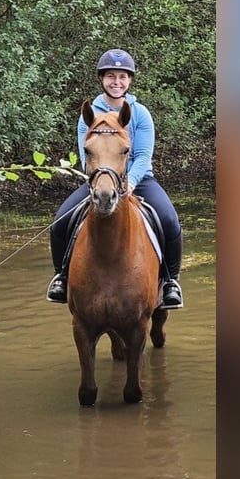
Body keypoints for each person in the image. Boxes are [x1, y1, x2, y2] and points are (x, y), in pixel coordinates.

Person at [46, 48, 184, 309]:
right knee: (59, 222)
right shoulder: (88, 115)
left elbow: (143, 155)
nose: (117, 82)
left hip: (138, 179)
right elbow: (85, 153)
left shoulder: (140, 114)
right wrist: (100, 180)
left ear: (129, 80)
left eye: (122, 77)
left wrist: (130, 181)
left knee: (169, 220)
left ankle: (170, 282)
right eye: (111, 76)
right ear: (102, 79)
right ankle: (62, 277)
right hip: (101, 180)